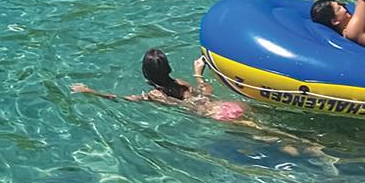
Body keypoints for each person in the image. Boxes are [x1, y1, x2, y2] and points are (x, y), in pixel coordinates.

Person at [71, 50, 246, 121]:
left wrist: (90, 91)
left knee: (258, 134)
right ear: (168, 68)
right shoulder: (181, 83)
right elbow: (206, 91)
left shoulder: (155, 95)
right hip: (227, 106)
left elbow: (120, 98)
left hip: (218, 116)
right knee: (258, 128)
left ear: (146, 73)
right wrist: (198, 73)